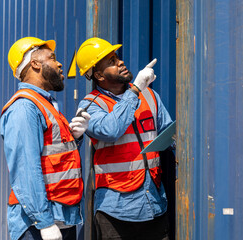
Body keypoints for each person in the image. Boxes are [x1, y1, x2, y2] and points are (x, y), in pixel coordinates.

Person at [76, 37, 173, 240]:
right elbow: (112, 130)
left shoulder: (150, 96)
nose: (120, 62)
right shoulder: (90, 106)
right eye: (111, 61)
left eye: (117, 57)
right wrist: (135, 89)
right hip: (116, 213)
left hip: (154, 205)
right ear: (99, 75)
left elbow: (169, 134)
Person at [0, 37, 91, 240]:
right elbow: (26, 170)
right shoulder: (25, 107)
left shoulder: (46, 104)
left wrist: (75, 139)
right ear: (34, 64)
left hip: (61, 218)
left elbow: (53, 156)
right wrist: (44, 222)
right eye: (52, 58)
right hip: (38, 226)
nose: (59, 63)